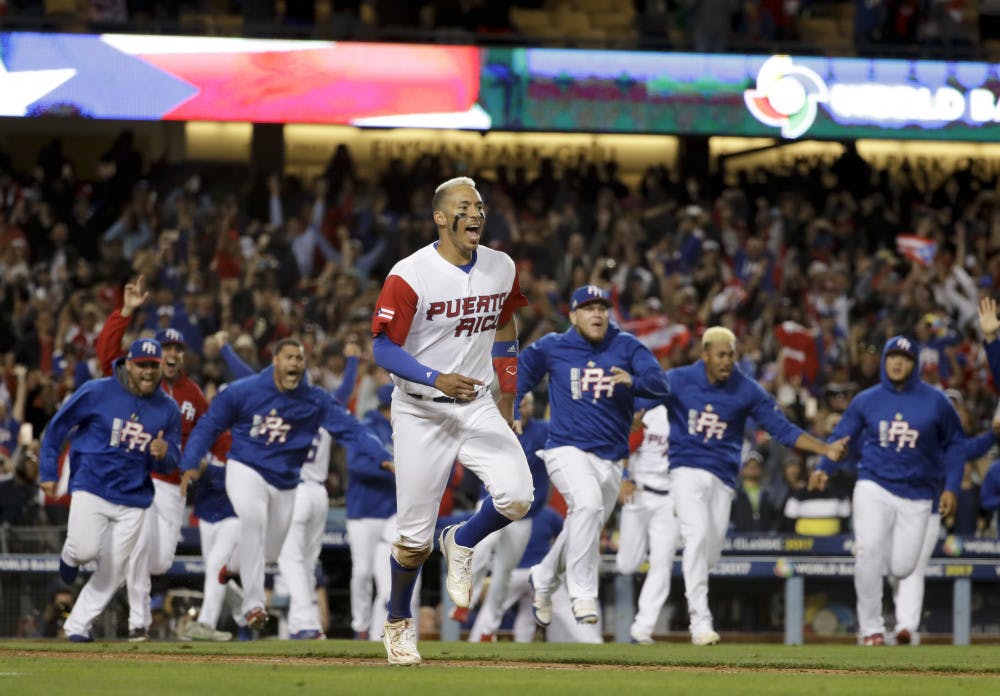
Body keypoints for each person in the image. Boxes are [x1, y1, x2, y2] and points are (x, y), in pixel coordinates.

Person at [370, 176, 533, 665]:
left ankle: (461, 539)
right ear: (441, 218)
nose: (477, 213)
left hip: (478, 402)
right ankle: (399, 622)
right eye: (465, 206)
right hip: (421, 408)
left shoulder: (501, 266)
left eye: (480, 206)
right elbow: (381, 345)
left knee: (518, 496)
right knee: (414, 540)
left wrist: (509, 394)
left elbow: (505, 324)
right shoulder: (410, 273)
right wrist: (435, 377)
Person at [179, 338, 391, 634]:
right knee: (253, 521)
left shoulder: (313, 399)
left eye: (299, 359)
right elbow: (209, 424)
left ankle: (234, 564)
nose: (295, 363)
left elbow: (351, 428)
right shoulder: (245, 390)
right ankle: (253, 606)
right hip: (245, 468)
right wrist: (190, 461)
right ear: (276, 360)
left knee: (271, 553)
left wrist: (381, 456)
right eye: (289, 357)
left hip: (286, 481)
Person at [662, 326, 848, 645]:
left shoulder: (746, 389)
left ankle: (697, 597)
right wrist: (632, 406)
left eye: (731, 355)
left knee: (711, 549)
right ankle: (700, 621)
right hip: (685, 470)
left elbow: (783, 430)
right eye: (720, 354)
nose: (727, 361)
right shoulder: (678, 379)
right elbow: (643, 396)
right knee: (696, 537)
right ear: (704, 354)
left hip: (722, 478)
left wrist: (825, 449)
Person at [516, 284, 671, 629]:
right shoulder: (553, 346)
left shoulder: (626, 345)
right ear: (573, 315)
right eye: (588, 308)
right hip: (565, 448)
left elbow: (661, 384)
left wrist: (634, 381)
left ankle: (543, 576)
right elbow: (519, 374)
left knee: (581, 525)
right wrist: (512, 407)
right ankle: (583, 591)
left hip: (611, 459)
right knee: (586, 506)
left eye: (602, 308)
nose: (597, 314)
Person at [95, 275, 230, 642]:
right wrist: (124, 313)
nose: (171, 355)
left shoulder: (192, 393)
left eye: (177, 350)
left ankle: (120, 564)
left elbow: (215, 433)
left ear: (182, 355)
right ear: (154, 355)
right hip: (136, 476)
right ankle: (139, 621)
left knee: (159, 561)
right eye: (165, 349)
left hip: (172, 483)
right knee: (138, 547)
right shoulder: (136, 380)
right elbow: (107, 355)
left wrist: (207, 459)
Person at [809, 336, 965, 646]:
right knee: (867, 553)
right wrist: (822, 468)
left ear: (915, 363)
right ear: (884, 360)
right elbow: (842, 436)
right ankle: (871, 629)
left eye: (905, 358)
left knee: (903, 567)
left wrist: (952, 487)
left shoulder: (935, 401)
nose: (897, 362)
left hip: (918, 494)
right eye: (892, 356)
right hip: (874, 484)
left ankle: (890, 618)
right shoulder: (867, 399)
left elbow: (955, 445)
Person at [38, 338, 182, 641]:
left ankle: (77, 626)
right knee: (85, 549)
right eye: (142, 365)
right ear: (128, 364)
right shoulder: (97, 391)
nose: (148, 372)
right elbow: (56, 428)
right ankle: (70, 553)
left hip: (134, 497)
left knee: (115, 570)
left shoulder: (168, 408)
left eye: (153, 367)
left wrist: (163, 453)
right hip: (92, 484)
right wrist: (49, 469)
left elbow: (172, 462)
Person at [464, 390, 550, 642]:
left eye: (525, 404)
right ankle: (465, 599)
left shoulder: (542, 431)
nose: (521, 408)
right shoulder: (494, 424)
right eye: (518, 403)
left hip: (523, 514)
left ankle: (487, 631)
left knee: (504, 572)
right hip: (492, 500)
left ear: (532, 407)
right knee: (481, 548)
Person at [614, 400, 678, 644]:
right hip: (639, 493)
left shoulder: (688, 419)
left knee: (662, 563)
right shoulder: (649, 414)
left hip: (669, 499)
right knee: (628, 564)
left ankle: (642, 628)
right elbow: (624, 447)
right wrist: (623, 477)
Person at [345, 383, 397, 641]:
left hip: (390, 514)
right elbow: (355, 465)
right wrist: (390, 469)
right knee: (363, 572)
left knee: (386, 577)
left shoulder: (398, 429)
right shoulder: (366, 427)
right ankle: (360, 627)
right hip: (363, 513)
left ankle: (380, 628)